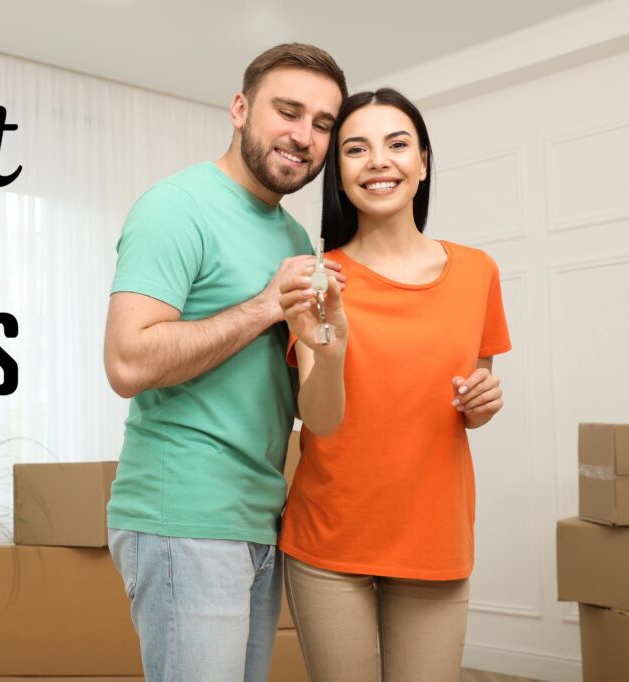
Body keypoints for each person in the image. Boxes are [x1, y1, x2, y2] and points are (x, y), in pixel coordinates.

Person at [102, 44, 347, 682]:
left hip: (259, 516)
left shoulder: (294, 239)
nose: (304, 136)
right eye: (288, 112)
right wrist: (264, 306)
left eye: (322, 124)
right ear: (240, 109)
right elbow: (127, 360)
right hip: (185, 509)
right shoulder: (176, 206)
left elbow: (297, 396)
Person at [277, 87, 512, 682]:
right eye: (356, 149)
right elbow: (321, 421)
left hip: (434, 538)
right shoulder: (318, 278)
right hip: (330, 541)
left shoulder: (477, 271)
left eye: (397, 144)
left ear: (423, 162)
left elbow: (470, 394)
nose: (378, 161)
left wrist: (483, 403)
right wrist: (331, 352)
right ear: (339, 173)